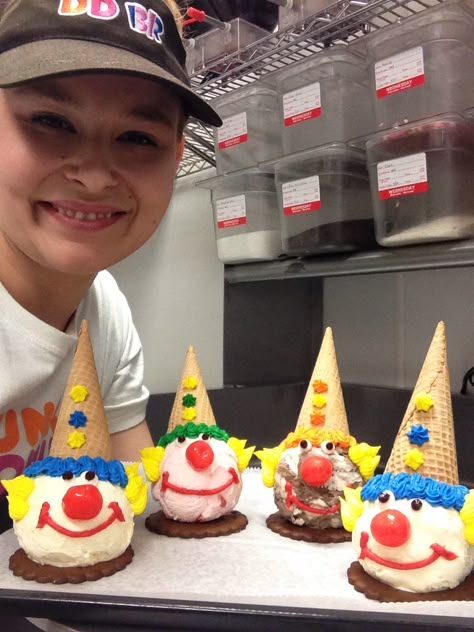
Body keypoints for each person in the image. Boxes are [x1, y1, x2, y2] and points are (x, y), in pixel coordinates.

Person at [0, 0, 221, 526]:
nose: (96, 175)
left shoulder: (104, 310)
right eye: (51, 121)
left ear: (175, 155)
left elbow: (132, 506)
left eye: (138, 137)